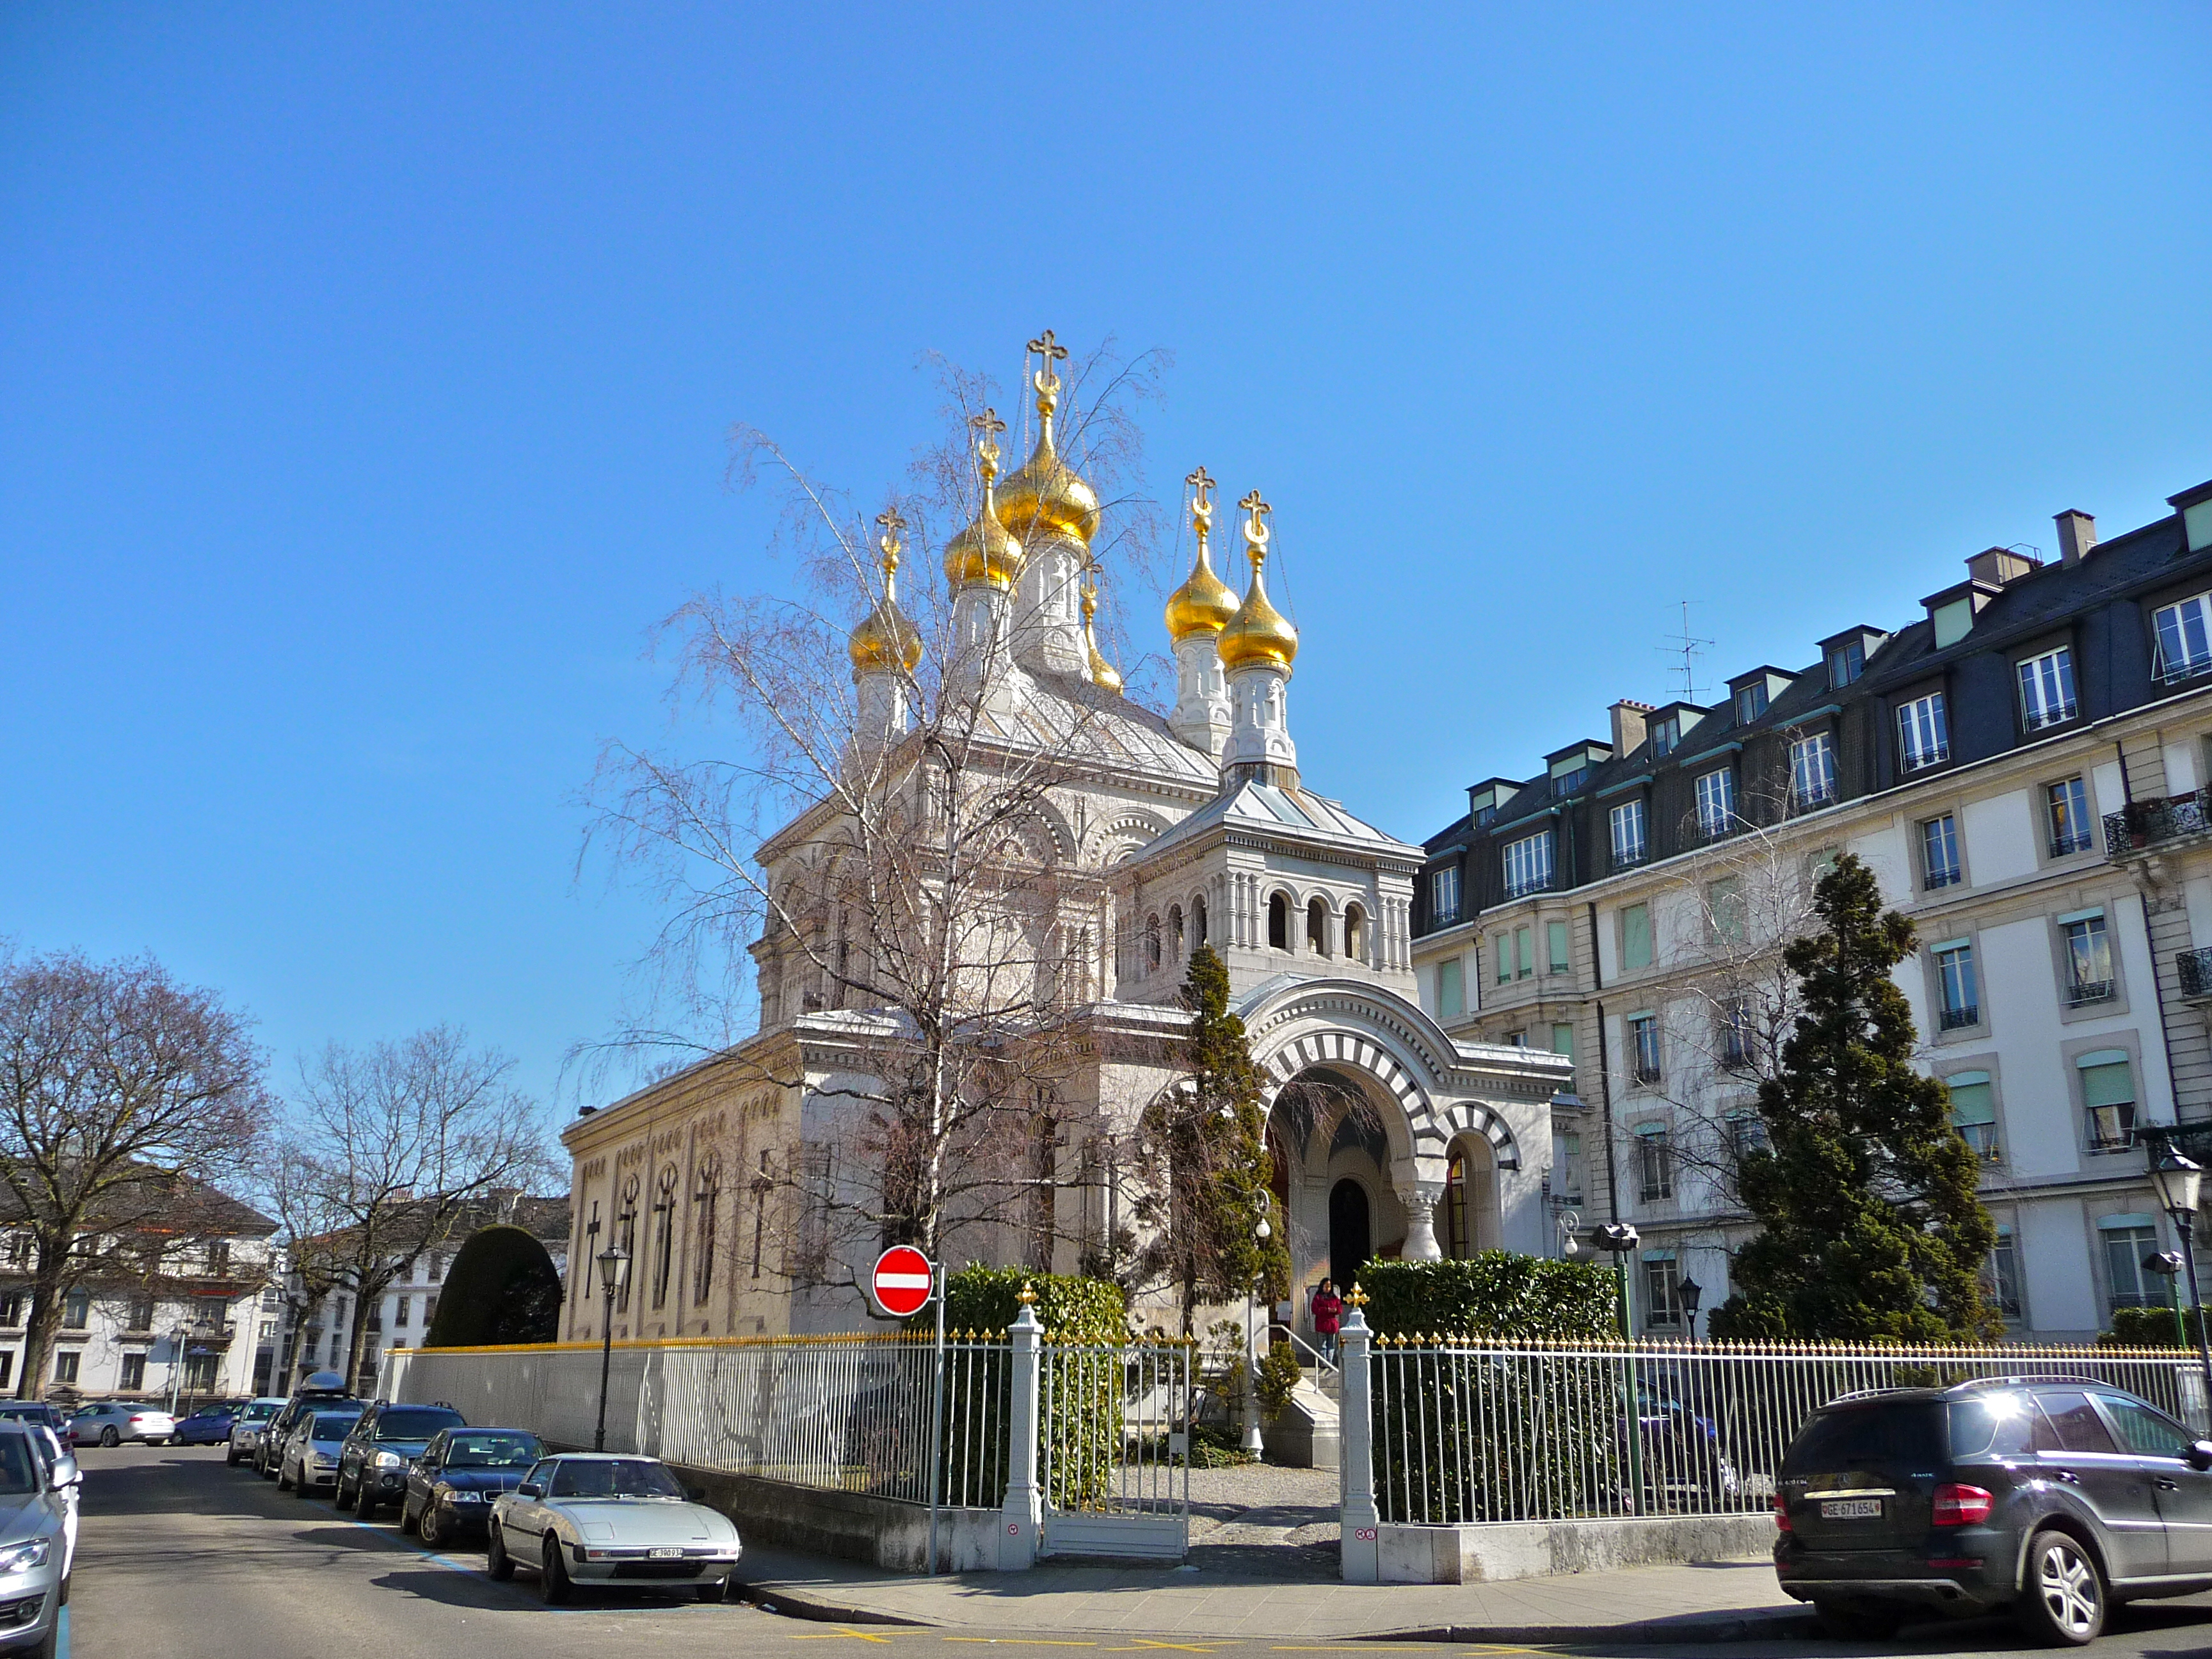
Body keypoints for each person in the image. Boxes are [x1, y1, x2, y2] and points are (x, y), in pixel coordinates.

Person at [1311, 1278, 1344, 1365]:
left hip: (1332, 1325)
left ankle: (1330, 1362)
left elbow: (1340, 1309)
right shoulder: (1318, 1297)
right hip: (1321, 1324)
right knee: (1322, 1345)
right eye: (1325, 1286)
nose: (1327, 1288)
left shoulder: (1334, 1298)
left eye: (1329, 1286)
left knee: (1331, 1345)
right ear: (1322, 1287)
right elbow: (1315, 1309)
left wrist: (1335, 1310)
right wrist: (1327, 1310)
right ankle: (1323, 1363)